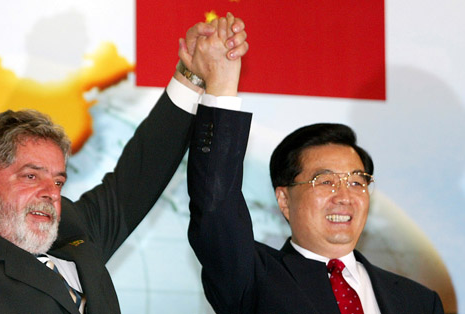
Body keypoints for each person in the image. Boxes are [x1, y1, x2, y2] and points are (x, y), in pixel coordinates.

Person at [0, 14, 248, 314]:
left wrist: (193, 74)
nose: (50, 193)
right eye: (31, 175)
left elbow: (142, 170)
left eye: (59, 181)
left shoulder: (72, 230)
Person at [185, 90, 445, 311]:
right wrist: (222, 86)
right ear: (284, 200)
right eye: (326, 182)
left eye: (356, 182)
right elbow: (215, 209)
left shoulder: (419, 301)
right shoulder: (254, 278)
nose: (344, 197)